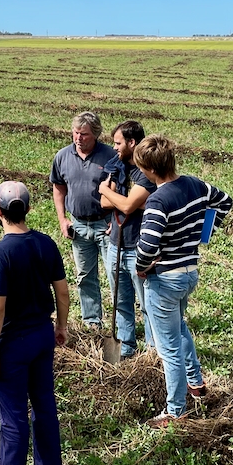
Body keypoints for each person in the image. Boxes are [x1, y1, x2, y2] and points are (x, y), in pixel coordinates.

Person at [133, 136, 233, 427]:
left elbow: (148, 244)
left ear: (150, 169)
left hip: (165, 279)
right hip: (189, 272)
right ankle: (196, 383)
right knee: (180, 328)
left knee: (169, 350)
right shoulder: (196, 185)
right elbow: (225, 202)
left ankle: (175, 411)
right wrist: (204, 232)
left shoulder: (158, 200)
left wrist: (142, 266)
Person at [0, 181, 70, 465]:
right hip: (42, 335)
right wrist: (61, 326)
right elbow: (62, 290)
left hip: (12, 345)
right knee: (44, 402)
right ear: (29, 210)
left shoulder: (0, 253)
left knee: (14, 414)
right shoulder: (46, 243)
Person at [49, 111, 117, 328]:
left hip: (105, 224)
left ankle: (120, 324)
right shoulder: (62, 156)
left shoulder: (110, 157)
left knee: (114, 275)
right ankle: (92, 322)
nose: (78, 138)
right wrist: (62, 219)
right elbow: (59, 188)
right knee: (85, 276)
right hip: (78, 225)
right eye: (76, 133)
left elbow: (121, 191)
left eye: (84, 134)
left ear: (95, 134)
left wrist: (115, 220)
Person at [97, 120, 156, 358]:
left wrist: (107, 191)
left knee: (147, 304)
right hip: (116, 245)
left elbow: (127, 205)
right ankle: (127, 345)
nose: (115, 148)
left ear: (132, 143)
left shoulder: (147, 171)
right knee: (121, 300)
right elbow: (105, 204)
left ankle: (153, 350)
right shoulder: (116, 166)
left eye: (118, 143)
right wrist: (127, 202)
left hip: (139, 247)